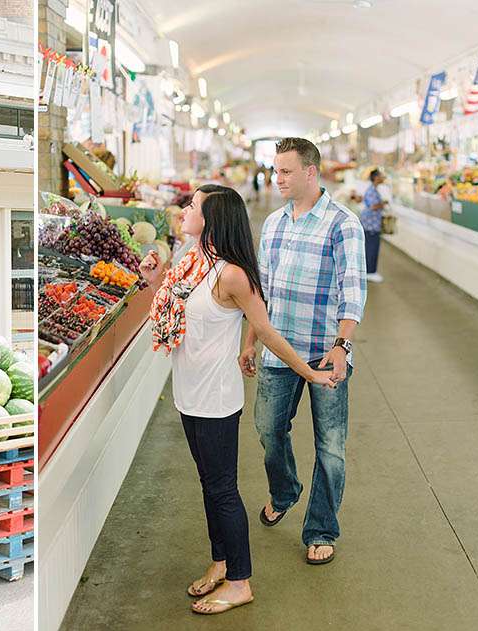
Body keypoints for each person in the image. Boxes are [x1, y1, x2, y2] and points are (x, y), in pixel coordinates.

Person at [140, 185, 337, 616]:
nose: (185, 210)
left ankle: (240, 581)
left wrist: (308, 372)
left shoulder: (232, 275)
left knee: (223, 490)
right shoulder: (191, 260)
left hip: (215, 399)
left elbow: (265, 329)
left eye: (192, 206)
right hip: (188, 393)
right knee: (208, 486)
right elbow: (172, 306)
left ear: (212, 219)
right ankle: (221, 561)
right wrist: (155, 279)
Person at [239, 137, 366, 567]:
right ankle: (285, 490)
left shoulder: (343, 224)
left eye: (287, 171)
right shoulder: (273, 223)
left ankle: (321, 529)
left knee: (331, 447)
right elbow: (262, 290)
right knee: (267, 430)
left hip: (324, 354)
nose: (278, 179)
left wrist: (342, 345)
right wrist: (250, 339)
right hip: (279, 351)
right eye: (276, 171)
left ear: (311, 172)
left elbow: (352, 291)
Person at [360, 168, 386, 283]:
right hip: (370, 225)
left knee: (373, 247)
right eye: (381, 175)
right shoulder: (371, 191)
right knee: (371, 248)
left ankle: (371, 271)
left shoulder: (374, 190)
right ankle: (370, 272)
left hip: (373, 224)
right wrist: (382, 204)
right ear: (376, 178)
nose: (383, 177)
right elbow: (373, 206)